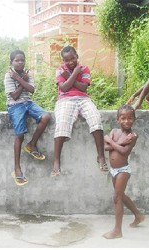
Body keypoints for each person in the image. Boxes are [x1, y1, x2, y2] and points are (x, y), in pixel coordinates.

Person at [52, 46, 107, 177]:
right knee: (62, 123)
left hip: (83, 99)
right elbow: (64, 88)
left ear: (77, 56)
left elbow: (83, 88)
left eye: (73, 58)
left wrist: (70, 76)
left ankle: (101, 157)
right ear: (63, 60)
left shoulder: (85, 69)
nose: (70, 62)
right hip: (65, 100)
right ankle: (56, 162)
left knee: (96, 119)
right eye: (67, 60)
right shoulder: (60, 70)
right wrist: (75, 74)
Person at [4, 49, 50, 186]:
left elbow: (32, 90)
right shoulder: (8, 76)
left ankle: (31, 145)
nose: (20, 62)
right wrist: (21, 80)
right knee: (19, 135)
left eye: (22, 60)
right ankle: (17, 169)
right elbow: (14, 96)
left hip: (28, 103)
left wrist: (19, 79)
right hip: (15, 105)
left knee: (46, 117)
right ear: (11, 62)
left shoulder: (27, 74)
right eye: (17, 60)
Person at [103, 104, 145, 239]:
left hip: (123, 170)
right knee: (121, 195)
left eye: (130, 118)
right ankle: (138, 215)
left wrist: (110, 141)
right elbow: (105, 147)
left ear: (134, 119)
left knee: (117, 197)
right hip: (113, 170)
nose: (126, 121)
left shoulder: (133, 135)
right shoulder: (115, 131)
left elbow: (123, 151)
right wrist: (119, 142)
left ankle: (117, 231)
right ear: (117, 119)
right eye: (123, 118)